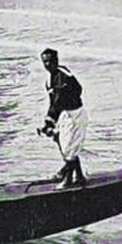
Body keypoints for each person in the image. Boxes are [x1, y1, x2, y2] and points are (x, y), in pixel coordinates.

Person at [39, 48, 87, 188]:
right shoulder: (49, 80)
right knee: (63, 144)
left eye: (51, 61)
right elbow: (53, 102)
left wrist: (51, 120)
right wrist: (48, 122)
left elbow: (67, 96)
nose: (48, 64)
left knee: (68, 148)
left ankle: (67, 178)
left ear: (56, 61)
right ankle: (79, 176)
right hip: (64, 114)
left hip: (75, 114)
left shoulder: (64, 75)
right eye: (45, 62)